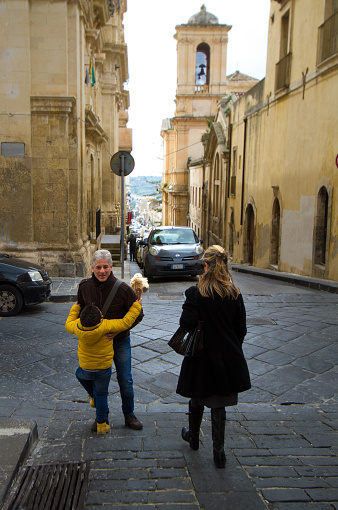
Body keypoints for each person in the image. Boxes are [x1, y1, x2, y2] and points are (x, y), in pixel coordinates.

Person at [176, 245, 251, 468]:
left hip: (201, 355)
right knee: (219, 403)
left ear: (206, 266)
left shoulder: (196, 293)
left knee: (198, 394)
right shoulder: (234, 293)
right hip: (227, 355)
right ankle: (219, 450)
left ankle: (194, 437)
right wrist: (231, 347)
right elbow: (241, 329)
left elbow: (186, 324)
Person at [77, 249, 144, 430]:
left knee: (125, 380)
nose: (102, 271)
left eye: (105, 267)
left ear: (111, 267)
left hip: (120, 341)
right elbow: (80, 313)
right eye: (98, 267)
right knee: (94, 380)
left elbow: (138, 314)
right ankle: (102, 416)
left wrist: (119, 331)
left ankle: (129, 415)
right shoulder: (84, 287)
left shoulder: (123, 289)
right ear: (92, 268)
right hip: (96, 346)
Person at [65, 299, 142, 434]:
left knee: (79, 375)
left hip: (85, 368)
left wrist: (75, 308)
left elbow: (67, 324)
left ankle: (93, 398)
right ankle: (101, 424)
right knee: (101, 395)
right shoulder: (105, 326)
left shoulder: (77, 326)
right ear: (101, 319)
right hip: (103, 369)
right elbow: (126, 322)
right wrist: (136, 306)